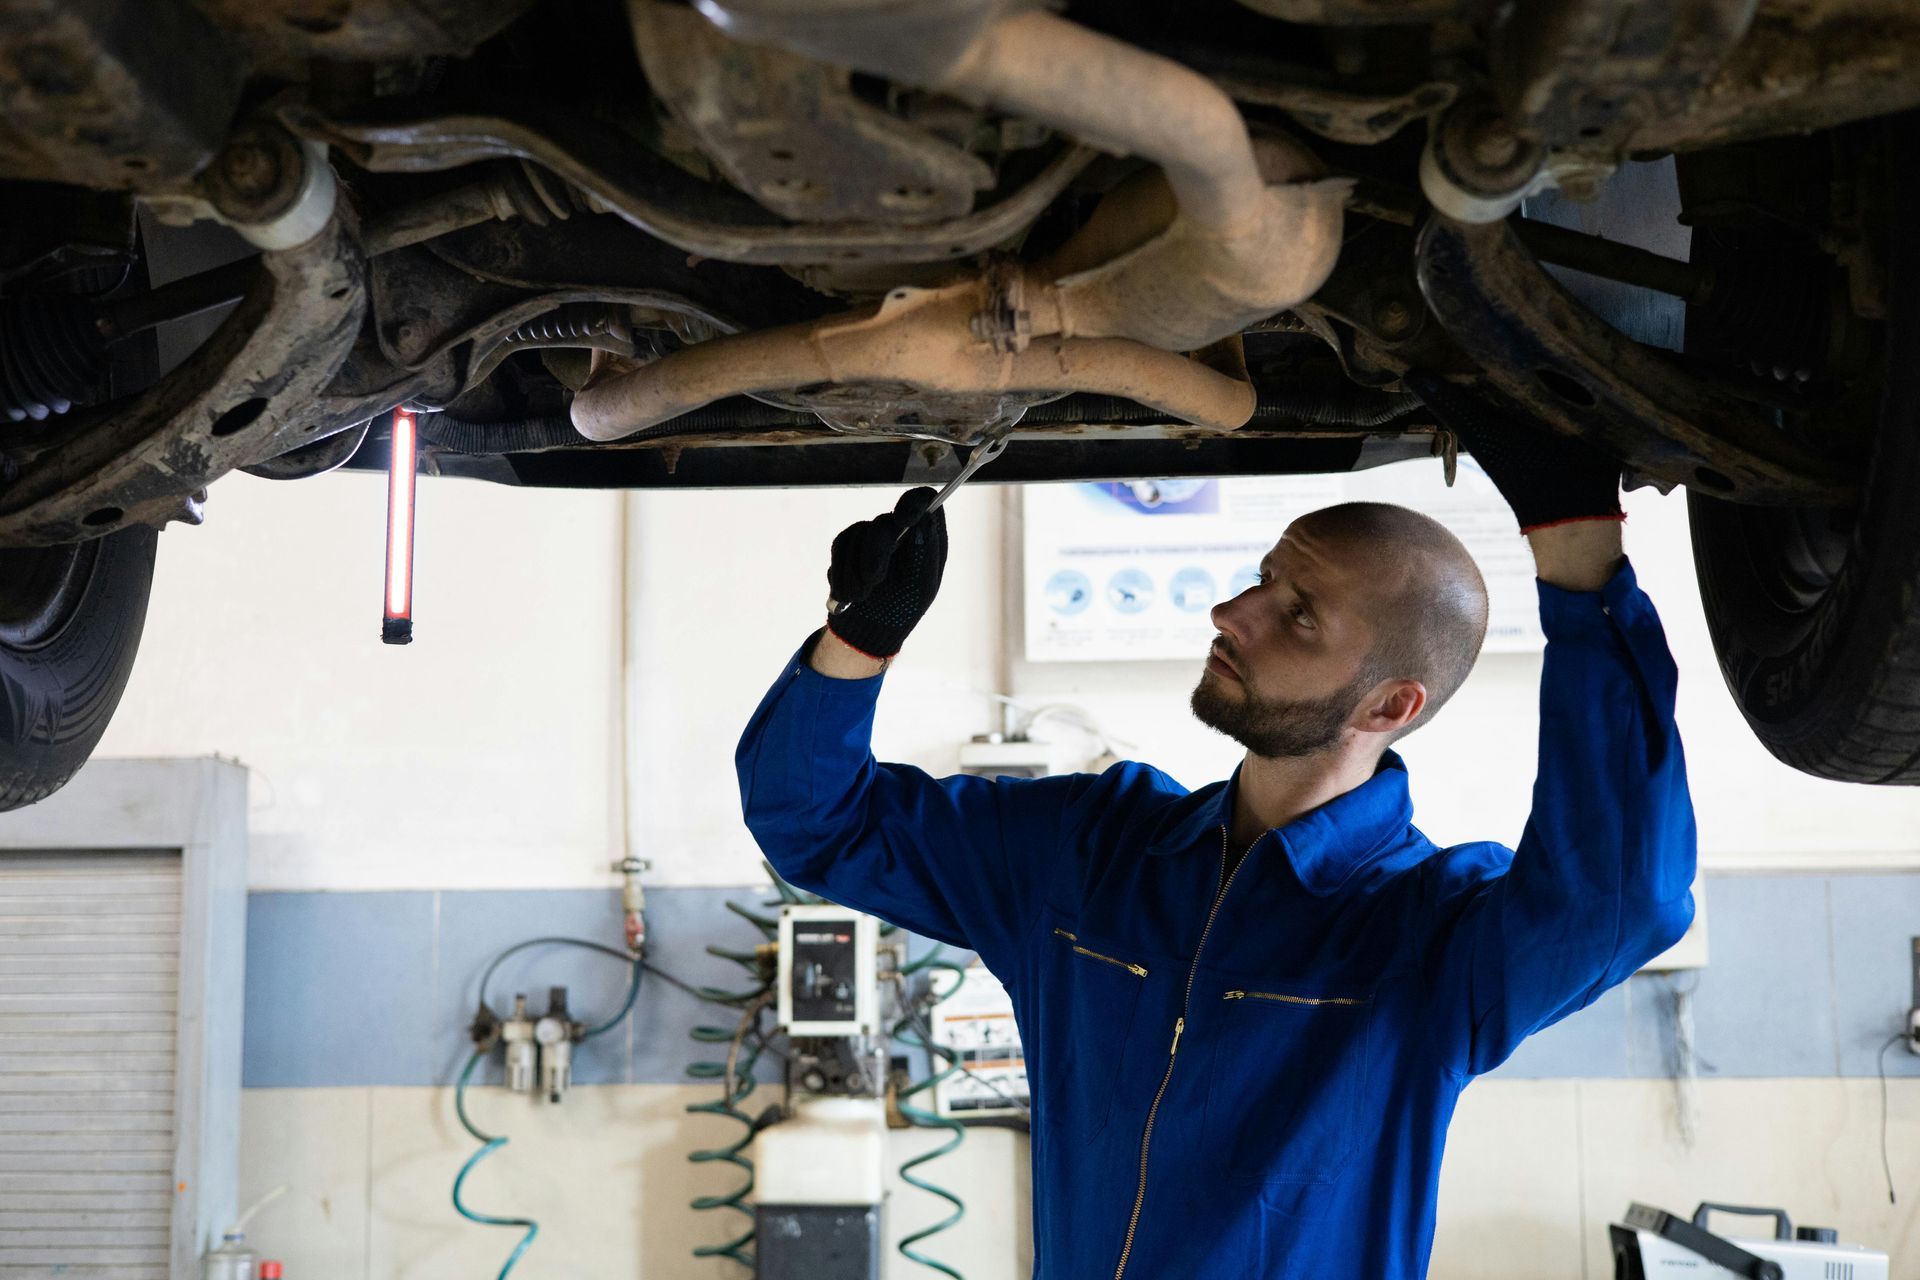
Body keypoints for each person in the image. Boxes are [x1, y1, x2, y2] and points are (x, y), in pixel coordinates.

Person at [735, 396, 1697, 1278]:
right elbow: (816, 823)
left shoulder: (1429, 938)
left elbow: (1620, 903)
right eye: (1260, 581)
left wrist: (1581, 562)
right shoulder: (1090, 853)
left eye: (1298, 615)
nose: (1231, 613)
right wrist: (861, 639)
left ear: (1391, 704)